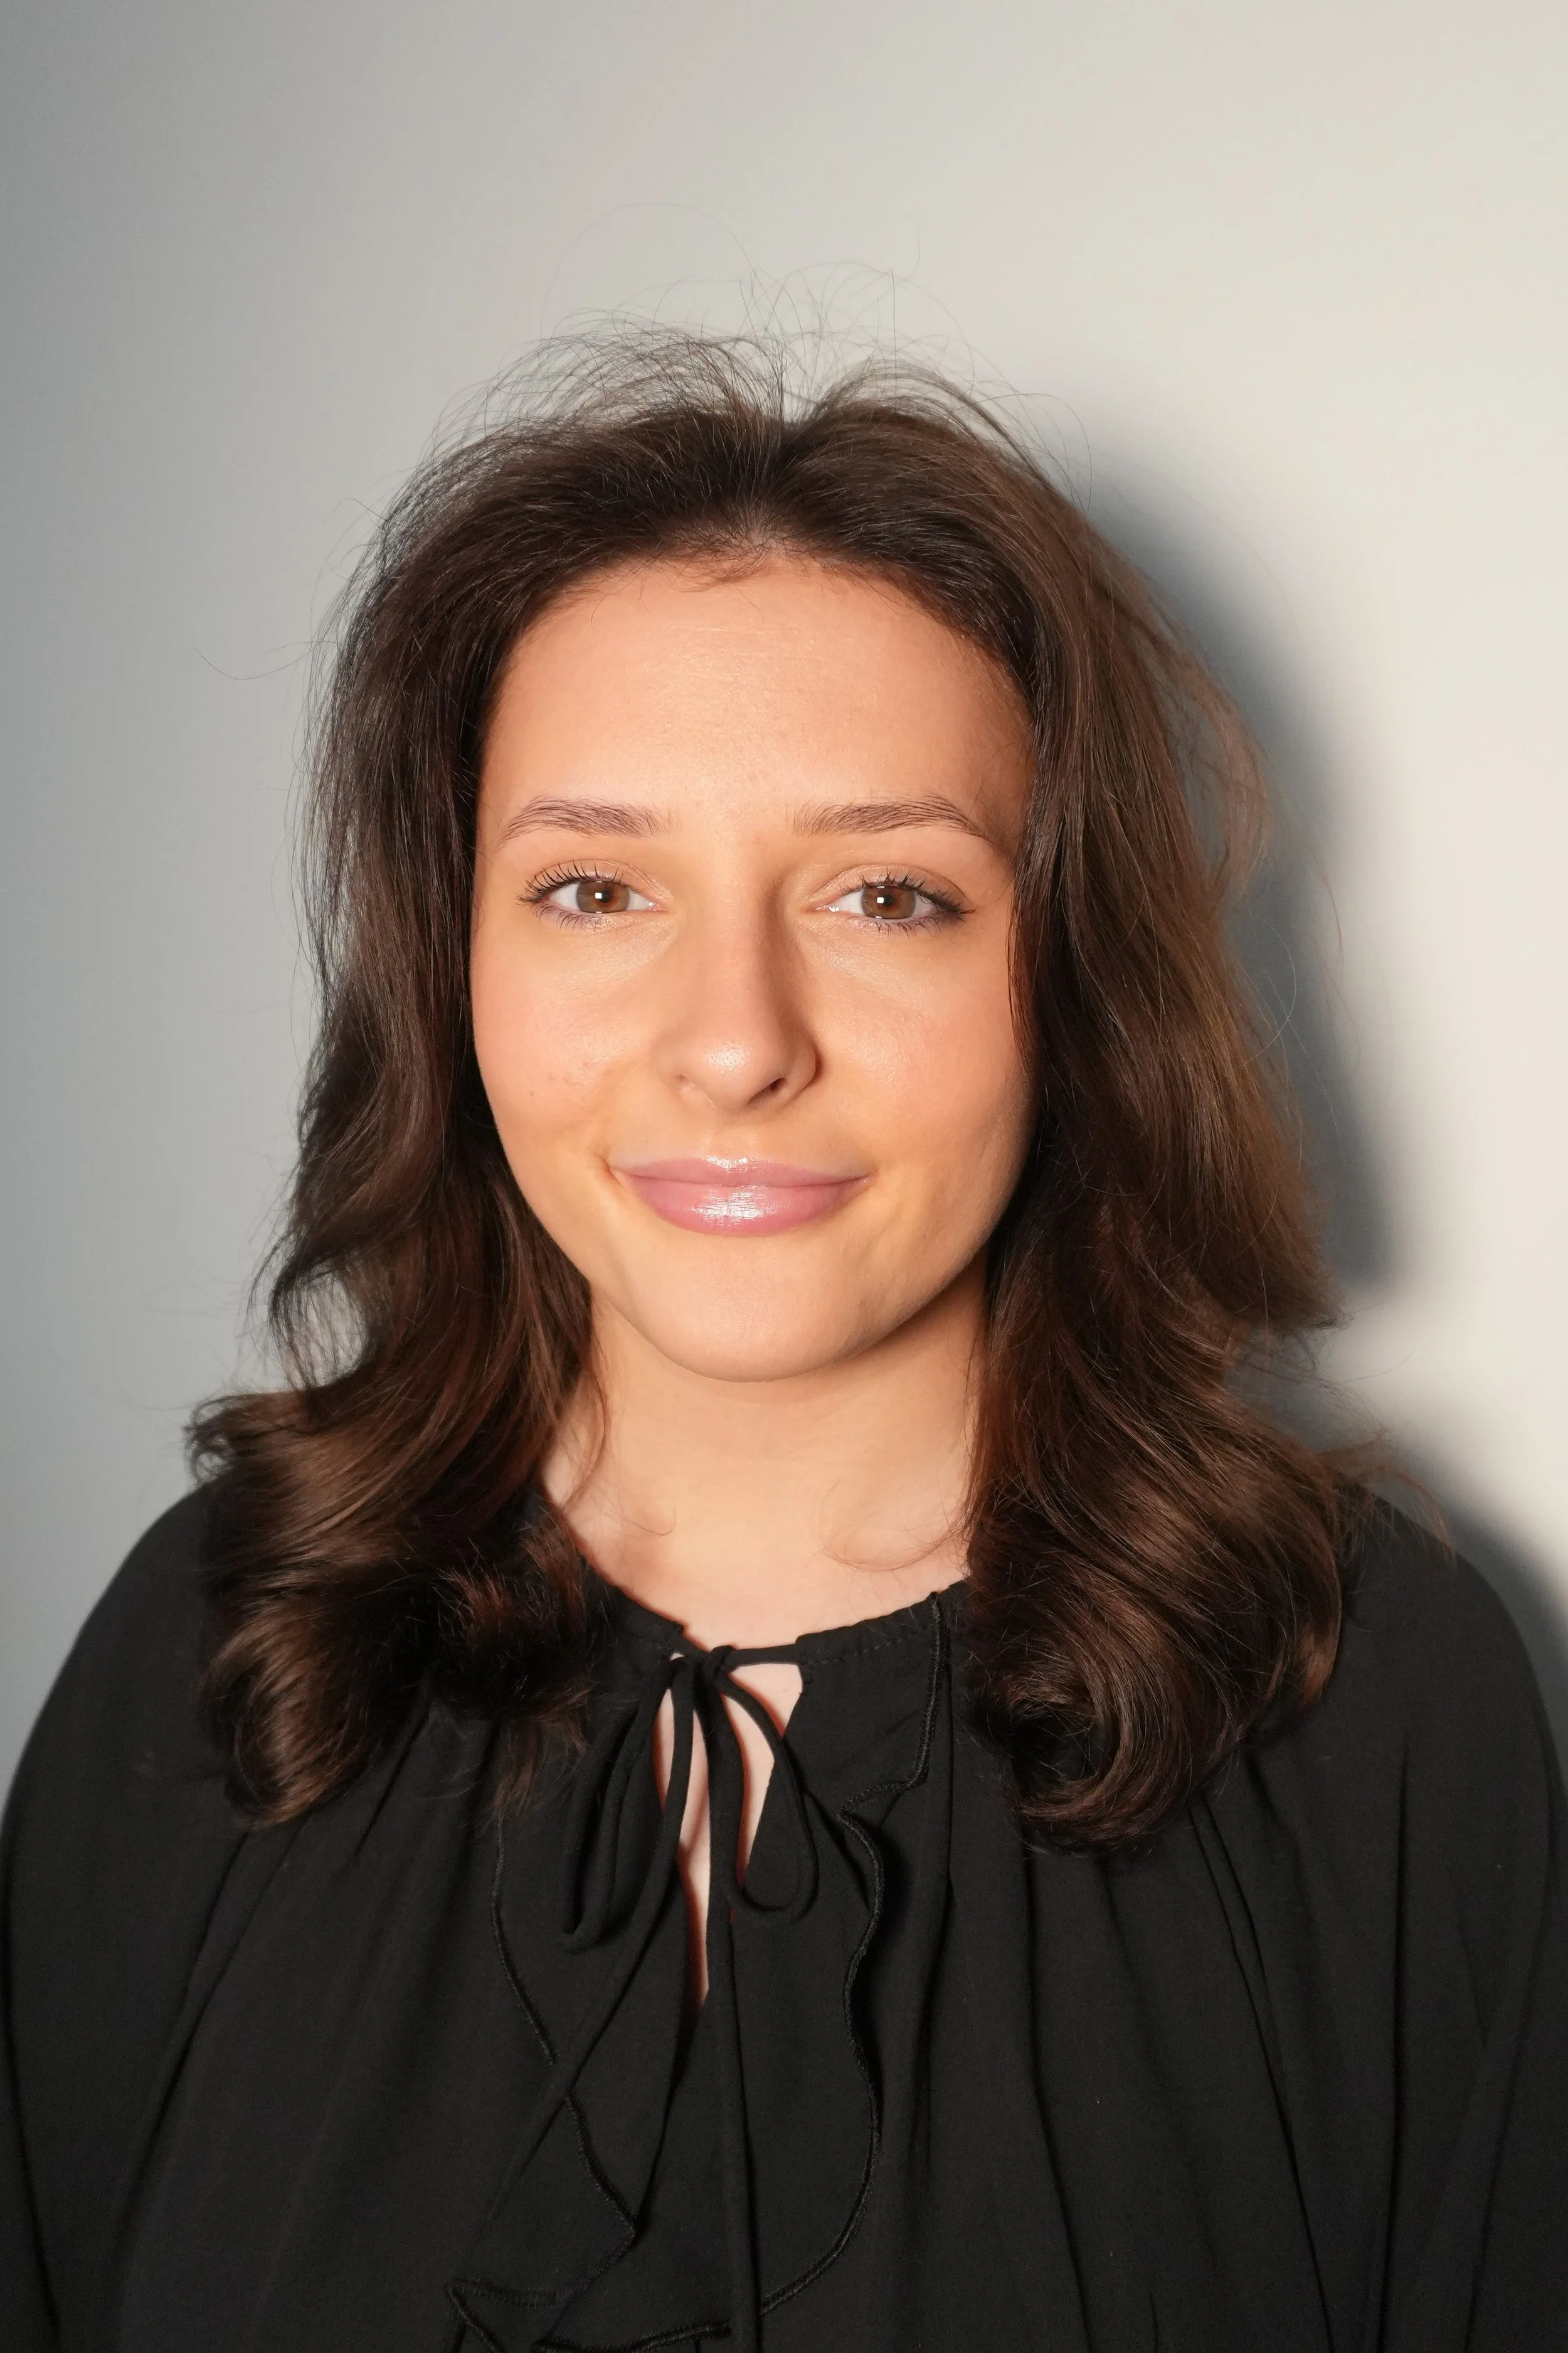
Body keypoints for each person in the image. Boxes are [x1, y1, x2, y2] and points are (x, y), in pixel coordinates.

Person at [3, 336, 1564, 2353]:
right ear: (450, 958)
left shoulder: (1362, 1701)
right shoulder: (224, 1642)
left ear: (1070, 970)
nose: (735, 1038)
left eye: (886, 893)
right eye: (592, 886)